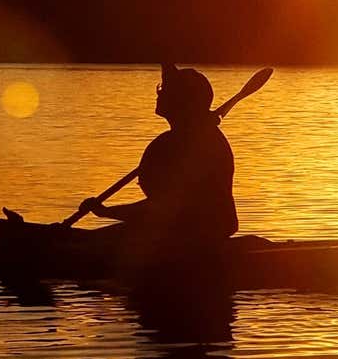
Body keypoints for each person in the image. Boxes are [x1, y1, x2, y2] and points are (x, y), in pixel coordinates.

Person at [75, 63, 238, 251]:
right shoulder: (175, 140)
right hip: (175, 227)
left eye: (165, 90)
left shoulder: (198, 146)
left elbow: (164, 207)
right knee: (84, 239)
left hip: (197, 231)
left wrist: (105, 211)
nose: (159, 94)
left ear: (181, 100)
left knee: (87, 245)